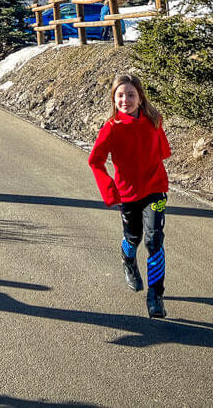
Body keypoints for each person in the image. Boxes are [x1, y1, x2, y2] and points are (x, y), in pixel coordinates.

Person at [87, 72, 172, 318]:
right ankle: (127, 259)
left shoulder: (154, 120)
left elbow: (162, 151)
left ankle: (155, 296)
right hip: (128, 195)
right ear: (114, 100)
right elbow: (95, 161)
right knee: (133, 237)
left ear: (141, 98)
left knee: (154, 240)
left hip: (155, 191)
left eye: (131, 95)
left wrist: (155, 172)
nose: (126, 100)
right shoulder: (111, 129)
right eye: (120, 95)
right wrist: (110, 189)